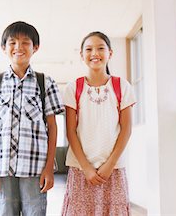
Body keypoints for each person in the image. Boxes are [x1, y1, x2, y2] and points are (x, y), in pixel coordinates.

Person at [0, 21, 65, 216]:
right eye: (12, 42)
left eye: (26, 42)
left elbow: (52, 126)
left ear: (35, 47)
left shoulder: (45, 82)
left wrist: (50, 168)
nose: (18, 47)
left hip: (35, 169)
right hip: (2, 169)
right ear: (3, 48)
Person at [61, 31, 136, 215]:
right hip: (81, 170)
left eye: (100, 48)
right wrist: (86, 167)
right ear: (81, 55)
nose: (95, 53)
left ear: (110, 53)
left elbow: (126, 129)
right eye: (89, 49)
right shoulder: (73, 88)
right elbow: (70, 131)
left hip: (113, 170)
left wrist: (110, 164)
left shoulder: (122, 86)